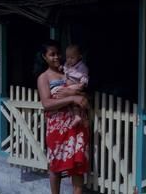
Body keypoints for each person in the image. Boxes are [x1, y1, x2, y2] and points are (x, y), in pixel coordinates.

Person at [36, 39, 90, 194]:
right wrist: (72, 98)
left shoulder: (72, 72)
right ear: (44, 57)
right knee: (55, 166)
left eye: (58, 54)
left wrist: (72, 92)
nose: (56, 57)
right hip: (57, 128)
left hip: (77, 123)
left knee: (78, 168)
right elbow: (46, 103)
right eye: (51, 54)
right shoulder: (44, 78)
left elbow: (85, 97)